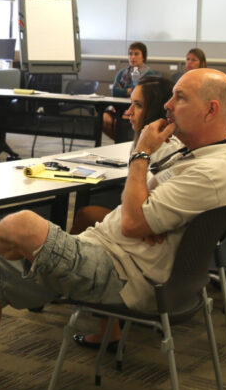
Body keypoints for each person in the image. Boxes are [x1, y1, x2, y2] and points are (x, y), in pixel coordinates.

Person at [0, 69, 226, 390]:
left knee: (22, 224)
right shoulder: (200, 154)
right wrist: (143, 209)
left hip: (123, 275)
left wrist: (141, 157)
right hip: (111, 253)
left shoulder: (212, 172)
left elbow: (132, 220)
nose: (168, 105)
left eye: (180, 97)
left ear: (211, 110)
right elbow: (138, 214)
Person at [68, 77, 179, 349]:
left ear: (154, 111)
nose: (127, 112)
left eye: (137, 106)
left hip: (145, 247)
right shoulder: (149, 140)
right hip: (145, 233)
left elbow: (143, 208)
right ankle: (99, 314)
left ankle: (67, 284)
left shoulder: (163, 148)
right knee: (87, 216)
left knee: (86, 216)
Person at [103, 41, 161, 139]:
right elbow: (115, 92)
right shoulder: (122, 73)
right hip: (119, 107)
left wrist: (127, 90)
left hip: (137, 108)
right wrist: (128, 91)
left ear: (143, 56)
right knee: (104, 118)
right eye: (130, 54)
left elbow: (144, 95)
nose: (132, 57)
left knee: (121, 121)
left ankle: (125, 142)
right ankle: (119, 141)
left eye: (136, 54)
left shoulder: (149, 74)